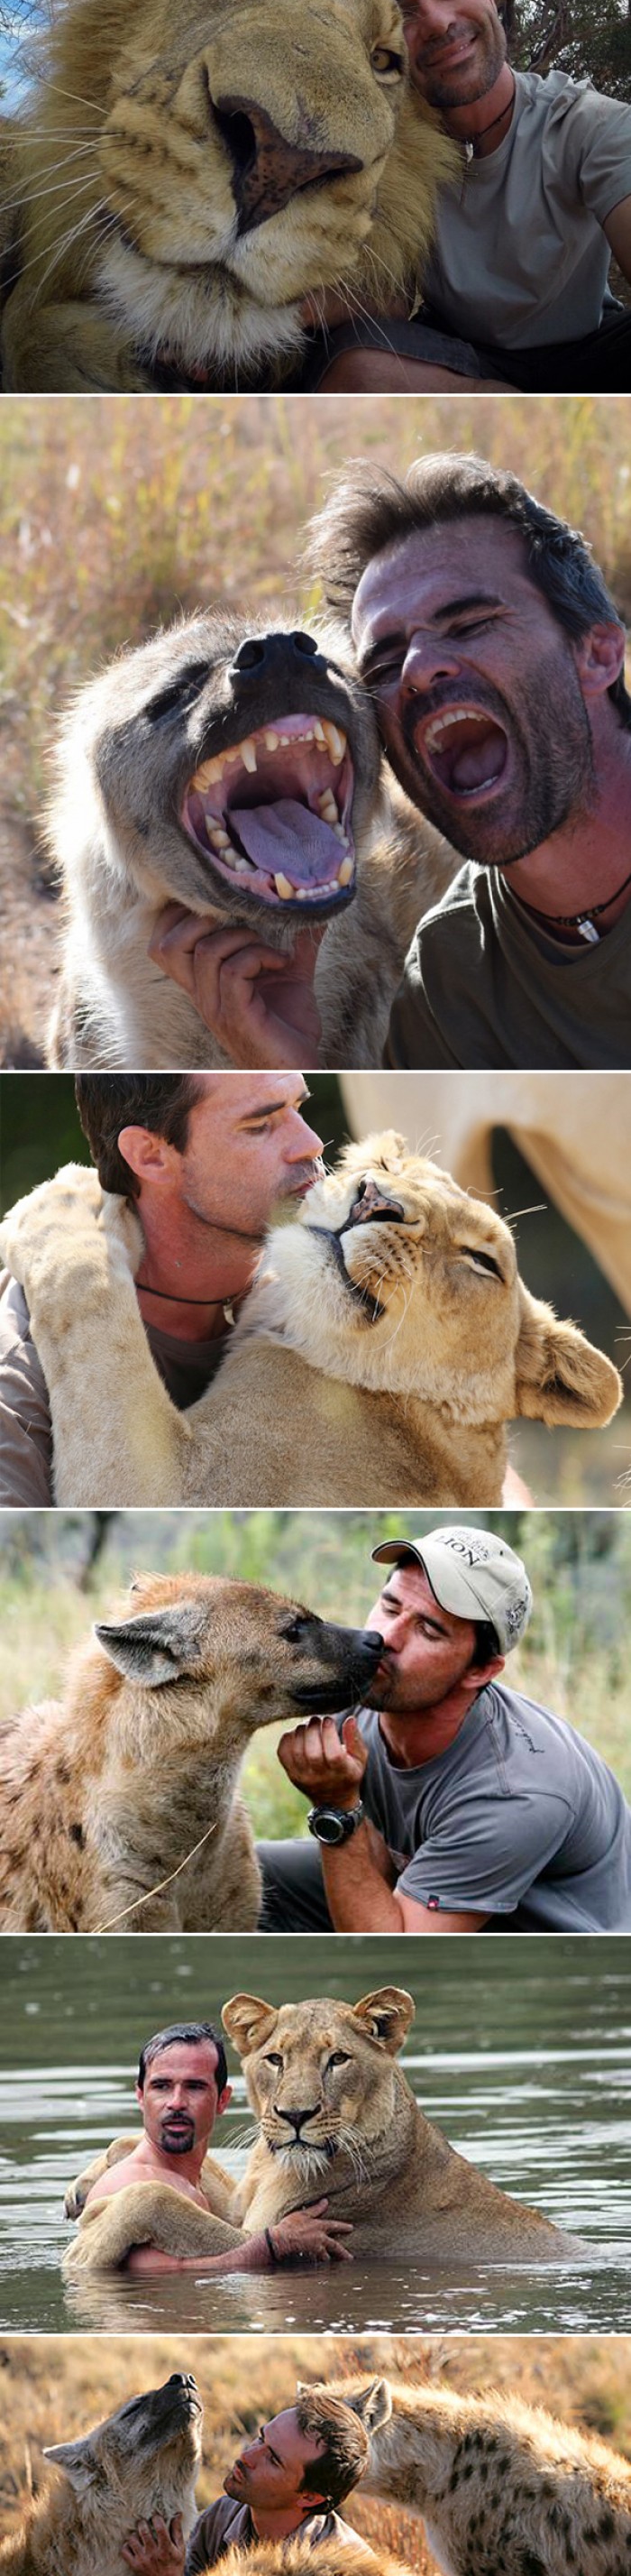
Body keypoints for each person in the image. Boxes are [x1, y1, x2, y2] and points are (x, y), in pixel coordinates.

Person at [309, 447, 631, 1064]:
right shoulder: (448, 984)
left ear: (596, 653)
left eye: (469, 625)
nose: (419, 671)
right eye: (383, 661)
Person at [314, 0, 631, 391]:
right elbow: (392, 297)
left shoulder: (587, 124)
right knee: (355, 364)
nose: (439, 23)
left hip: (592, 346)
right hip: (462, 356)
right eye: (401, 13)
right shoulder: (386, 155)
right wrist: (256, 320)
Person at [257, 1527, 631, 1936]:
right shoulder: (368, 1685)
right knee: (241, 1877)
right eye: (389, 1606)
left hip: (538, 1947)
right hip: (416, 1889)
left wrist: (336, 1808)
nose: (386, 1638)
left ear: (481, 1671)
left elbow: (391, 1950)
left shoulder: (517, 1792)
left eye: (428, 1630)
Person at [0, 1070, 323, 1504]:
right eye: (259, 1125)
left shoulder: (347, 1296)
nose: (312, 1145)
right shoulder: (18, 1375)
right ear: (150, 1156)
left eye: (297, 1108)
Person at [69, 2022, 352, 2281]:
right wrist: (276, 2244)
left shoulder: (199, 2179)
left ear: (223, 2100)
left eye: (195, 2087)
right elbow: (161, 2279)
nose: (176, 2102)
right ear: (140, 2096)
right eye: (161, 2086)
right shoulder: (128, 2184)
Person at [121, 2386, 370, 2576]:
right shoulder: (223, 2515)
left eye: (273, 2460)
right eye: (261, 2438)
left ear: (310, 2497)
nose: (246, 2456)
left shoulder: (344, 2574)